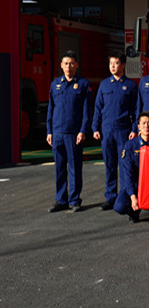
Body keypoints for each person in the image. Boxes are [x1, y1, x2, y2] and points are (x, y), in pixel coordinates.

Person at [46, 50, 92, 213]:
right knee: (59, 168)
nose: (68, 66)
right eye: (66, 63)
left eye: (72, 63)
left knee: (74, 167)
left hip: (74, 134)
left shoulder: (83, 84)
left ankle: (74, 200)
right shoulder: (55, 84)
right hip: (57, 132)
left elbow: (87, 111)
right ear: (61, 65)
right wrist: (49, 131)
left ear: (76, 65)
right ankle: (61, 200)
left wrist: (83, 130)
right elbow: (51, 109)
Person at [92, 51, 137, 211]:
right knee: (109, 164)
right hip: (107, 130)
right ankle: (110, 197)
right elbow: (98, 107)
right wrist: (95, 127)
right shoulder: (104, 85)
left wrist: (134, 129)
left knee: (125, 165)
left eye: (116, 63)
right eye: (111, 63)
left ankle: (125, 196)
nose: (113, 66)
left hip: (123, 130)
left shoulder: (131, 86)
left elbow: (136, 110)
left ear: (123, 65)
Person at [113, 111, 149, 224]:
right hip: (136, 184)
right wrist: (133, 197)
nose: (146, 126)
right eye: (143, 123)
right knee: (119, 206)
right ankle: (134, 212)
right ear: (139, 126)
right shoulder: (130, 145)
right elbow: (128, 173)